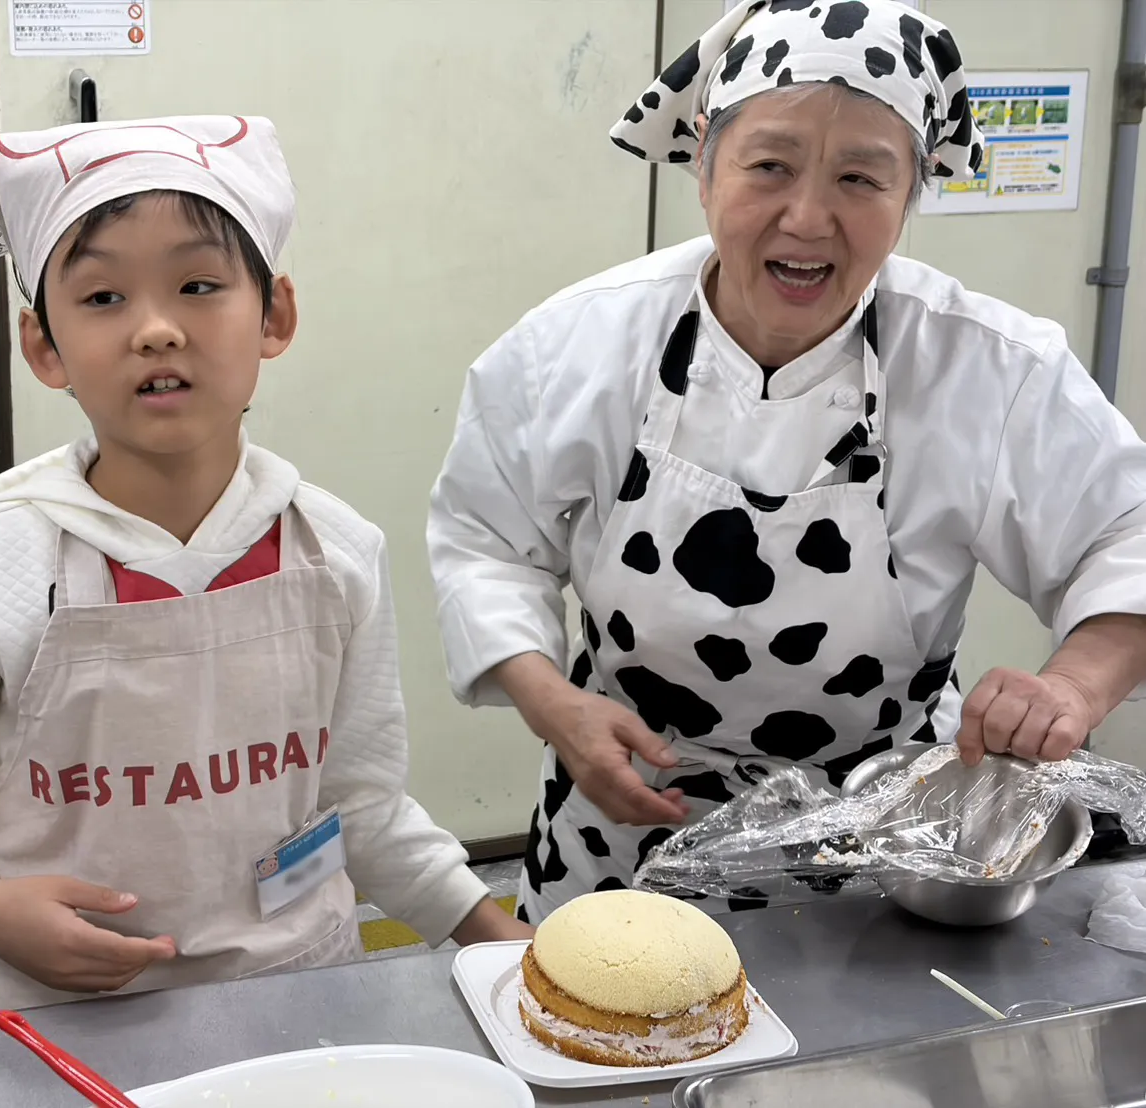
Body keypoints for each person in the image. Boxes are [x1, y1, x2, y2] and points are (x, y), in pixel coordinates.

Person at [427, 0, 1146, 924]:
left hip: (888, 839)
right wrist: (554, 707)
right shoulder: (579, 342)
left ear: (911, 193)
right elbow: (485, 540)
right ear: (702, 162)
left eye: (860, 178)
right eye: (768, 166)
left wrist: (1069, 688)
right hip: (625, 817)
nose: (807, 218)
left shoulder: (989, 367)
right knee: (605, 1036)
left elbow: (1125, 535)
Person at [0, 115, 529, 1010]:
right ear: (43, 347)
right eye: (102, 299)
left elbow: (360, 805)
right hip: (77, 1015)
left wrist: (508, 948)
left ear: (274, 314)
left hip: (303, 987)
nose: (156, 330)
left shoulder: (335, 551)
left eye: (199, 285)